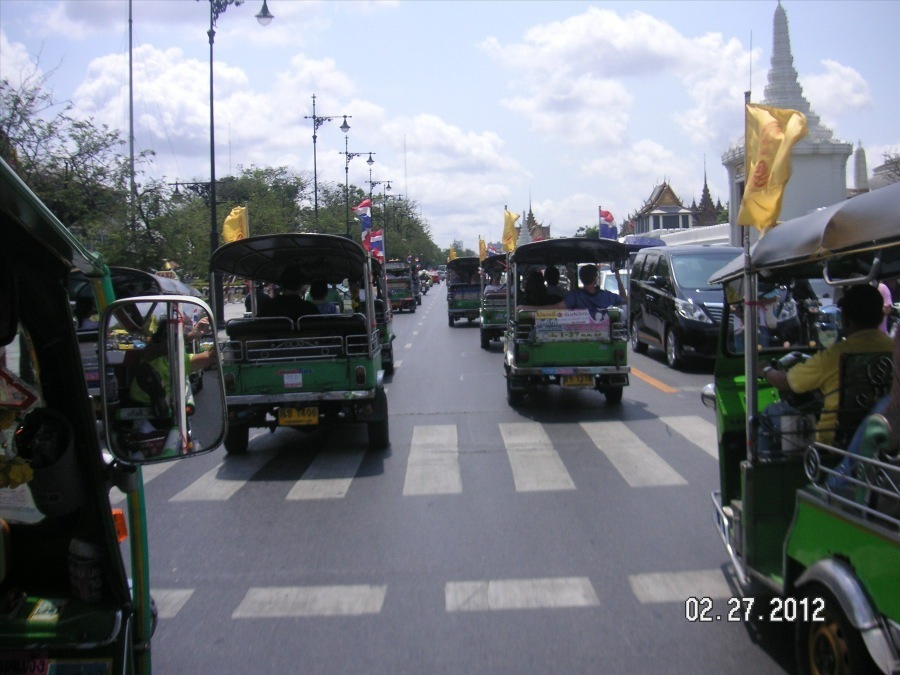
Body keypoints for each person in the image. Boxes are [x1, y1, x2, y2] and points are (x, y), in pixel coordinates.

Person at [757, 284, 893, 452]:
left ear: (846, 320)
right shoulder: (895, 350)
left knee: (771, 412)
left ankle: (773, 474)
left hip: (834, 447)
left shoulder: (834, 356)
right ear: (881, 317)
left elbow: (784, 381)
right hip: (888, 441)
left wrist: (764, 369)